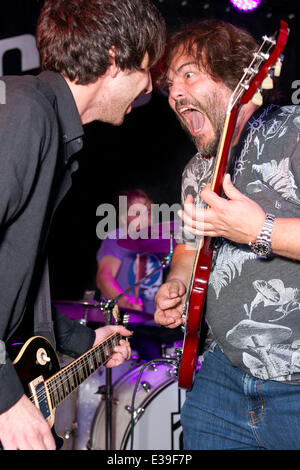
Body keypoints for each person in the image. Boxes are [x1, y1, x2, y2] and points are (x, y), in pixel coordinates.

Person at [0, 0, 166, 450]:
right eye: (147, 69)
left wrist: (84, 337)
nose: (150, 85)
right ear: (114, 58)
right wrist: (5, 399)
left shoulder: (43, 118)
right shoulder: (27, 113)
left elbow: (13, 295)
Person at [154, 19, 300, 450]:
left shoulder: (294, 132)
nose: (175, 93)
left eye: (188, 74)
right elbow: (189, 246)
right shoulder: (197, 170)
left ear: (236, 75)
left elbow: (259, 232)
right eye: (168, 84)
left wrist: (260, 231)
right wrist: (177, 281)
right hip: (220, 384)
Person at [96, 188, 182, 360]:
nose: (144, 218)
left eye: (148, 212)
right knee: (150, 354)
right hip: (128, 324)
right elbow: (103, 278)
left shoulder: (162, 241)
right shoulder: (116, 238)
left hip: (158, 323)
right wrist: (124, 302)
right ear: (122, 218)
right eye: (136, 213)